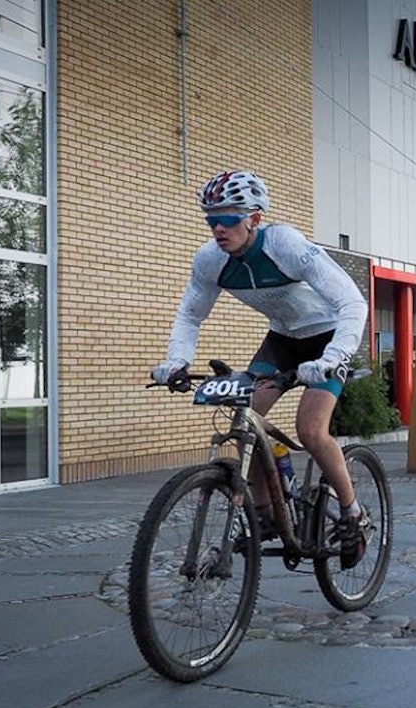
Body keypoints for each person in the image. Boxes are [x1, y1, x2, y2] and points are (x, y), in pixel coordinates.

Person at [151, 170, 369, 569]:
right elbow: (190, 315)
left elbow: (353, 304)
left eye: (229, 218)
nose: (218, 227)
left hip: (328, 339)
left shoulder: (285, 245)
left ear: (254, 217)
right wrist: (177, 361)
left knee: (311, 429)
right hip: (283, 342)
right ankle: (268, 511)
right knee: (246, 418)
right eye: (210, 218)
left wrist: (333, 357)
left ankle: (353, 514)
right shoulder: (211, 260)